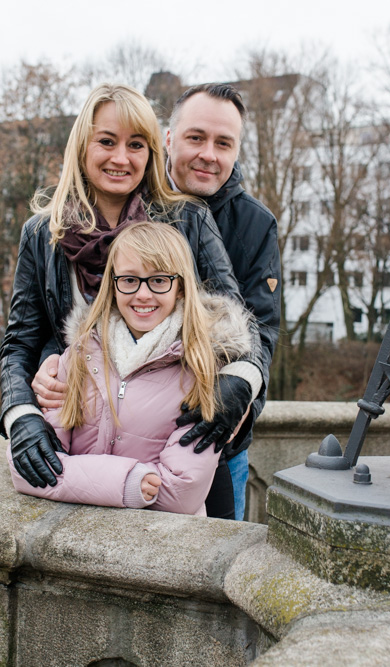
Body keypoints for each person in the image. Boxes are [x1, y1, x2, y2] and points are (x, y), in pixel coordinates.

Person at [1, 83, 264, 512]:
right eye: (106, 141)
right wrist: (21, 416)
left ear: (151, 152)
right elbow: (19, 344)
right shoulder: (41, 233)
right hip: (80, 460)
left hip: (176, 449)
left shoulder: (189, 220)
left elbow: (237, 328)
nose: (121, 158)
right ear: (83, 146)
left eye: (136, 144)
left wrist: (242, 382)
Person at [6, 223, 254, 514]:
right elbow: (29, 470)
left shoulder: (206, 370)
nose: (143, 294)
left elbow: (180, 494)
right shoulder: (80, 354)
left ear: (181, 286)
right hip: (77, 542)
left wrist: (76, 478)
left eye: (159, 280)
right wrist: (129, 483)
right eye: (129, 280)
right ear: (113, 284)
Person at [165, 83, 281, 521]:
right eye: (196, 138)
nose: (209, 154)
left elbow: (262, 328)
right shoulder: (134, 198)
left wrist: (244, 386)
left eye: (223, 143)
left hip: (217, 440)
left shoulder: (256, 223)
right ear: (169, 138)